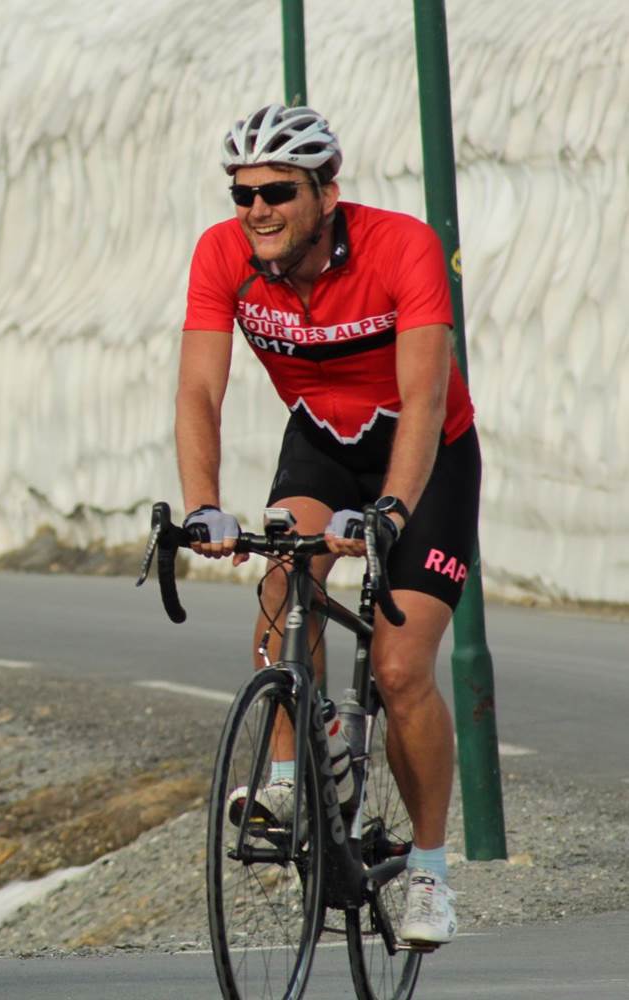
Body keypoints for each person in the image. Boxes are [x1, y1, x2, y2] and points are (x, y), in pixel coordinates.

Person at [175, 105, 481, 945]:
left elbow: (424, 400)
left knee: (400, 666)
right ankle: (287, 774)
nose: (256, 210)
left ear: (327, 193)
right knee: (283, 581)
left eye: (277, 191)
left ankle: (428, 868)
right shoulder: (223, 255)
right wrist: (203, 502)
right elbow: (199, 390)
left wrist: (390, 511)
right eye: (242, 193)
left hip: (425, 456)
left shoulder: (401, 246)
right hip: (319, 440)